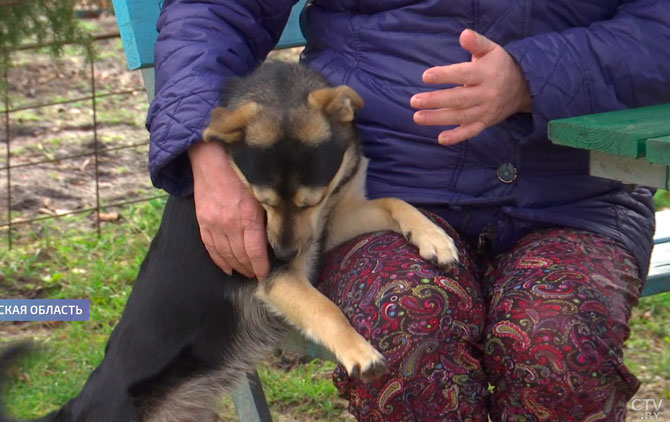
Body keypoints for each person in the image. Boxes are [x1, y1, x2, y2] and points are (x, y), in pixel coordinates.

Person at [144, 1, 670, 421]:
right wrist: (204, 153)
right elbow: (212, 11)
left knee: (554, 344)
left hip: (572, 192)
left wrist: (534, 76)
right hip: (381, 191)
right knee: (407, 334)